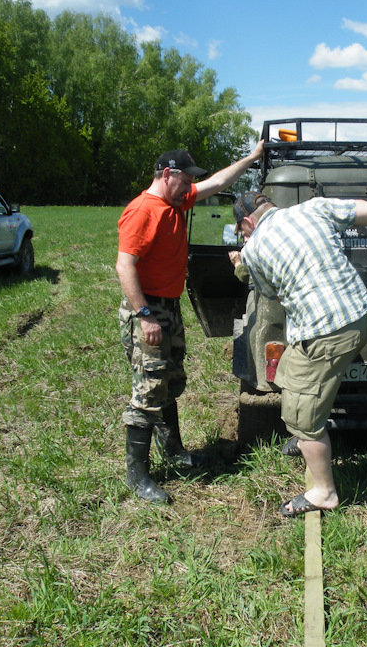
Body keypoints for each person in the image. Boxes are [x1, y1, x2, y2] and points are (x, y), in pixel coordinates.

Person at [116, 140, 264, 503]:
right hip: (148, 310)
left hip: (168, 305)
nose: (190, 188)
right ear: (168, 175)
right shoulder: (143, 211)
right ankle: (138, 476)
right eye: (185, 180)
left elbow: (215, 183)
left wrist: (252, 158)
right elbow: (124, 266)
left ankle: (174, 451)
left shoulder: (175, 201)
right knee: (149, 389)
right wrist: (145, 315)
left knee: (169, 379)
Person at [234, 191, 367, 518]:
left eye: (242, 231)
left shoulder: (254, 248)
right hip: (359, 316)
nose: (244, 236)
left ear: (248, 221)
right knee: (288, 369)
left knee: (300, 417)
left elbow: (269, 293)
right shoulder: (313, 209)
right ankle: (307, 430)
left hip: (326, 331)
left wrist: (241, 262)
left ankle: (324, 492)